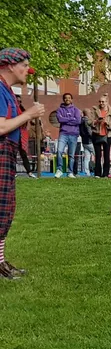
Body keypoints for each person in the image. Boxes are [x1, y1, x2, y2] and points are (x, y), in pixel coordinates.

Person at [0, 48, 45, 279]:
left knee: (5, 210)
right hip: (1, 151)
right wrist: (29, 114)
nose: (28, 70)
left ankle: (0, 262)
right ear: (10, 65)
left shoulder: (6, 90)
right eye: (24, 65)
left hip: (6, 153)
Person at [55, 93, 81, 178]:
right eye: (66, 98)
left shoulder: (76, 110)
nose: (67, 99)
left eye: (69, 98)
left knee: (71, 155)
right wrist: (71, 119)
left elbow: (78, 121)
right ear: (63, 99)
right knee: (59, 151)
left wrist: (65, 120)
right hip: (63, 134)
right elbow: (60, 119)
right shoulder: (59, 110)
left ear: (71, 99)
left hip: (73, 134)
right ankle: (59, 170)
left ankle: (70, 172)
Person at [93, 94, 111, 178]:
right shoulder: (95, 110)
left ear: (107, 102)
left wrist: (107, 123)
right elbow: (89, 122)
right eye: (100, 101)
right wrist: (96, 122)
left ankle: (105, 173)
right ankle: (97, 173)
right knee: (97, 155)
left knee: (106, 155)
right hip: (97, 134)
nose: (101, 103)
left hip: (108, 135)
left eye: (103, 101)